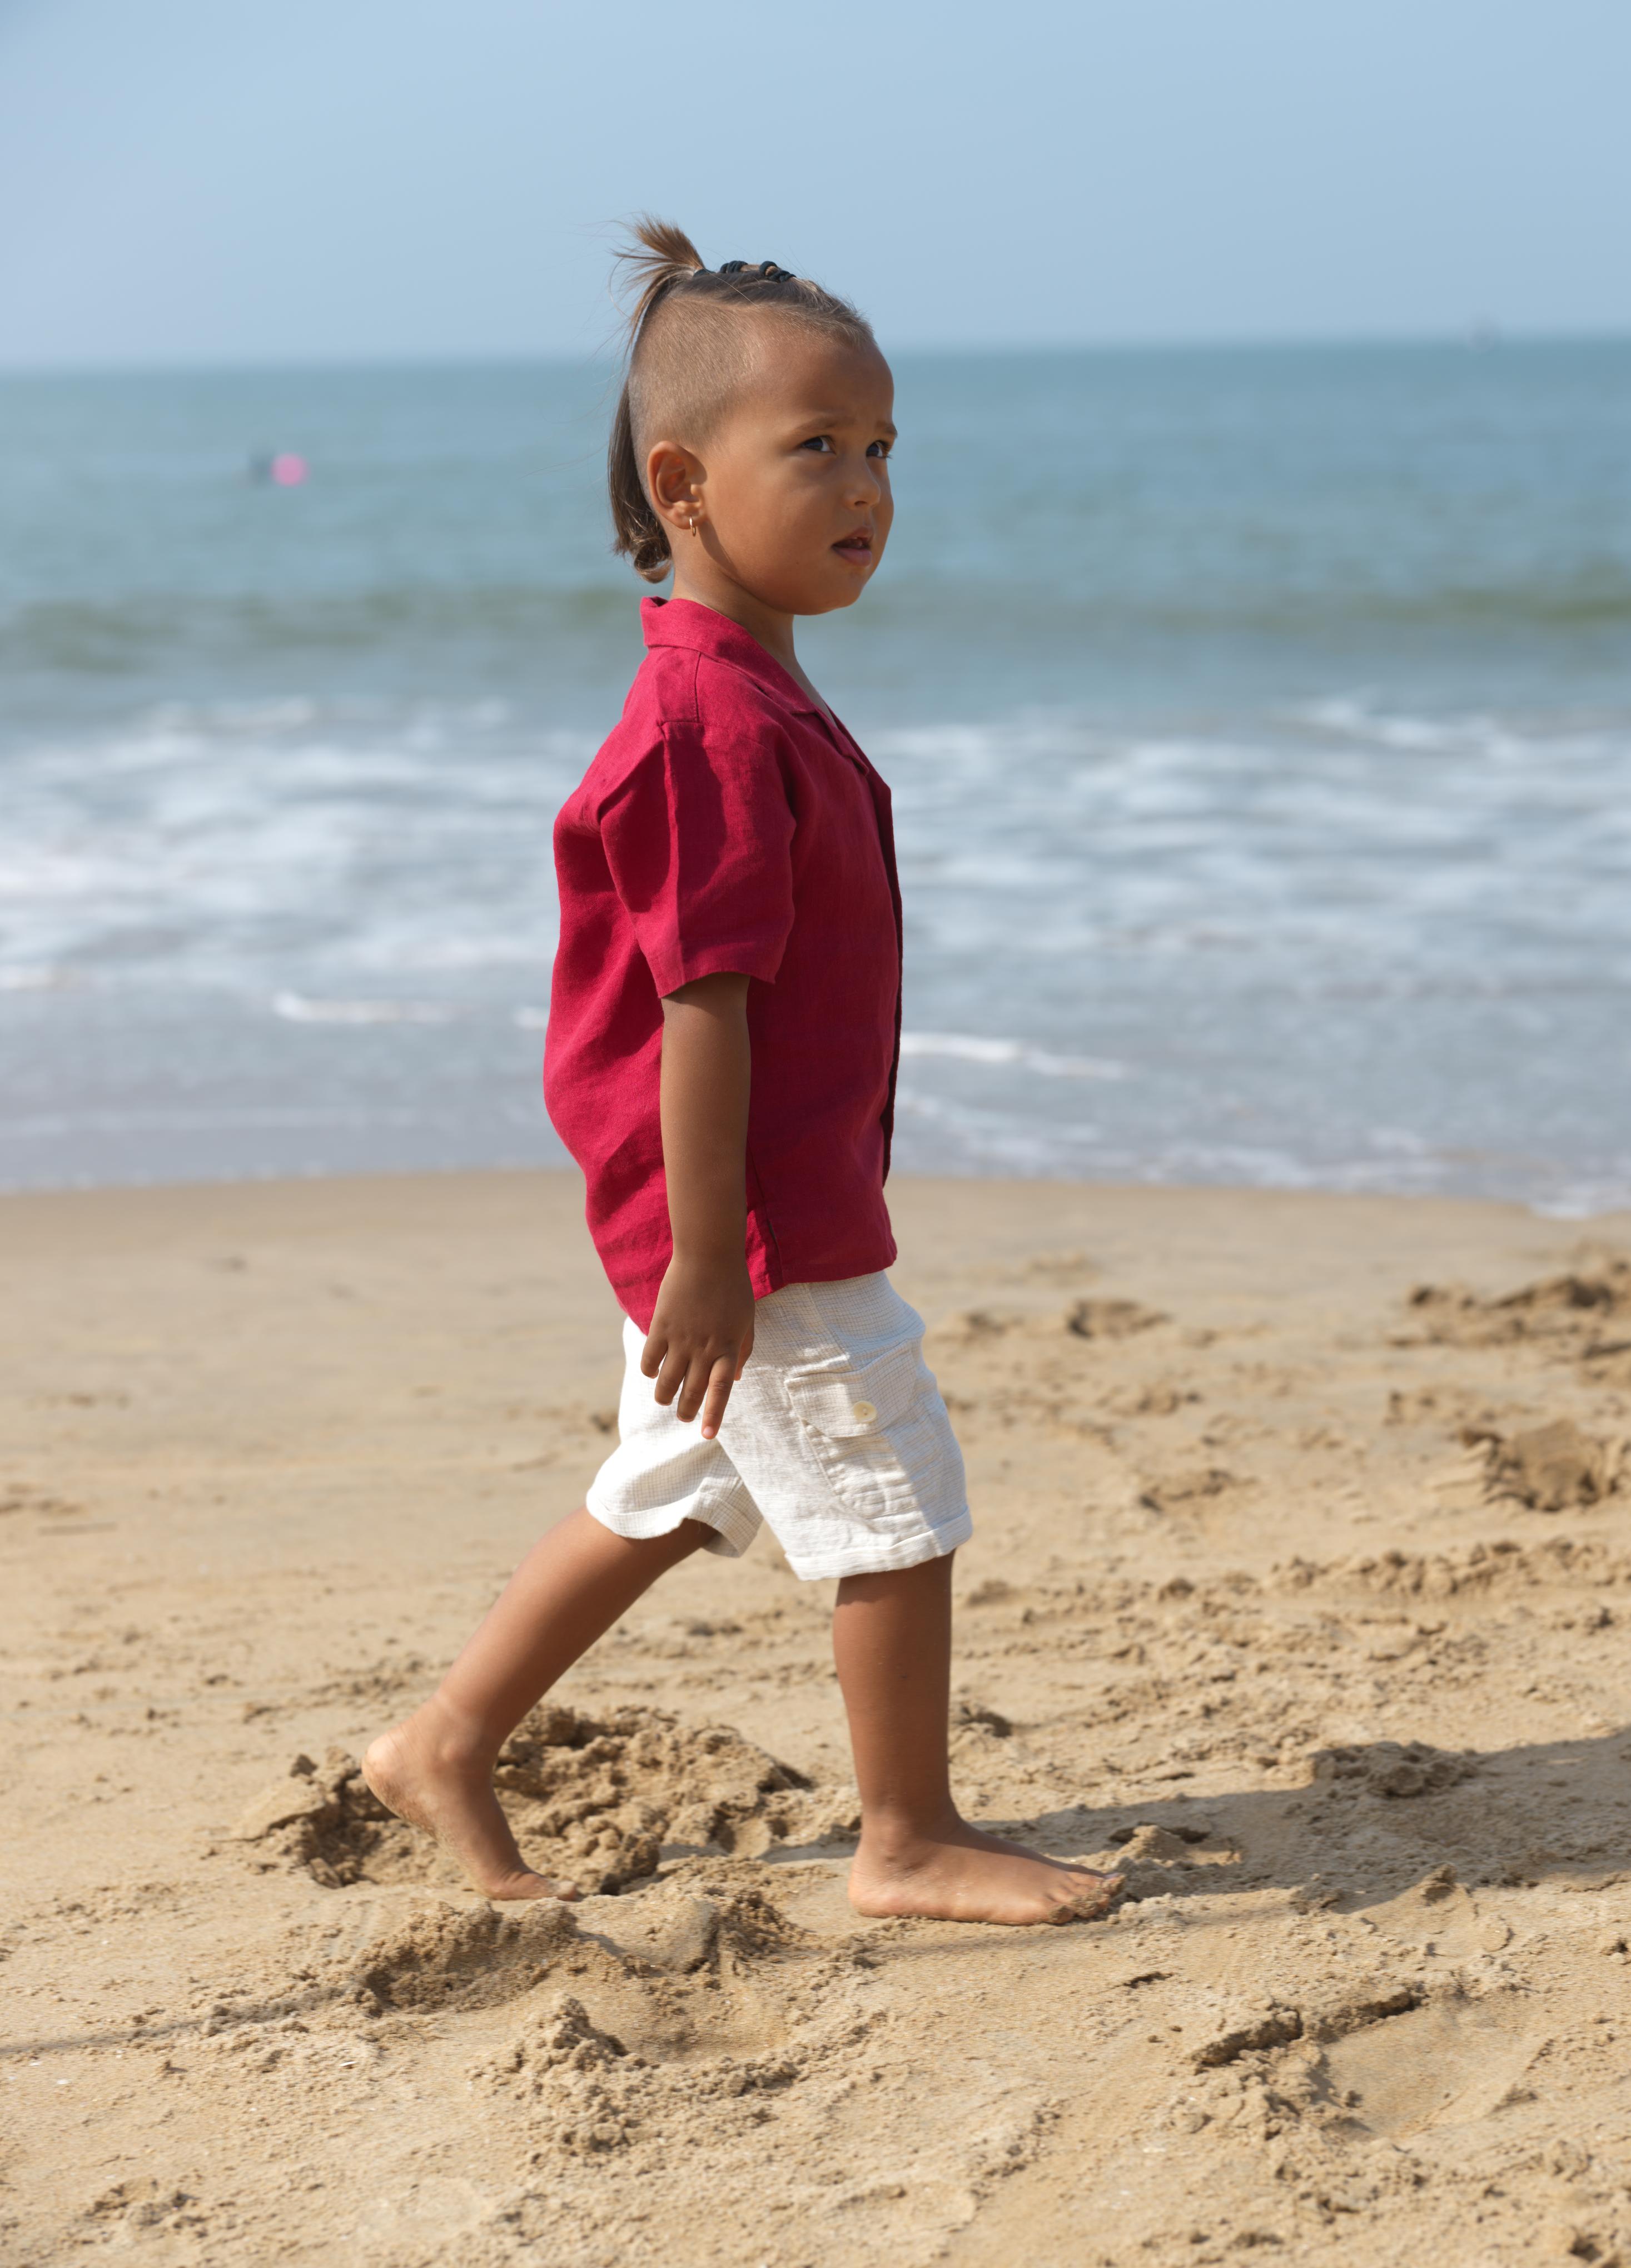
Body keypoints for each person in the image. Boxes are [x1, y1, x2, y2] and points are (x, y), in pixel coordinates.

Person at [365, 221, 1111, 1926]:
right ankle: (904, 1837)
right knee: (893, 1501)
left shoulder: (756, 691)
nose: (866, 486)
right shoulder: (707, 726)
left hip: (733, 1205)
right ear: (685, 481)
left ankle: (444, 1740)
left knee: (671, 1490)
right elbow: (698, 1006)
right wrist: (713, 1254)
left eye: (882, 449)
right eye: (818, 449)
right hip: (748, 1221)